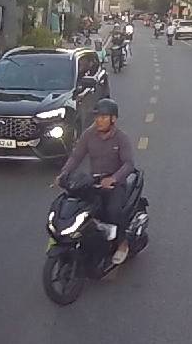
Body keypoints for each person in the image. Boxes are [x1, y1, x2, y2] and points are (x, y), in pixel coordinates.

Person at [54, 99, 137, 265]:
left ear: (113, 119)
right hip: (93, 182)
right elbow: (76, 157)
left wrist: (113, 179)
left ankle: (122, 244)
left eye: (103, 117)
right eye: (97, 117)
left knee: (112, 211)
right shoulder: (88, 135)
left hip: (115, 184)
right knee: (80, 210)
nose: (99, 120)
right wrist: (63, 174)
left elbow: (128, 164)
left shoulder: (121, 138)